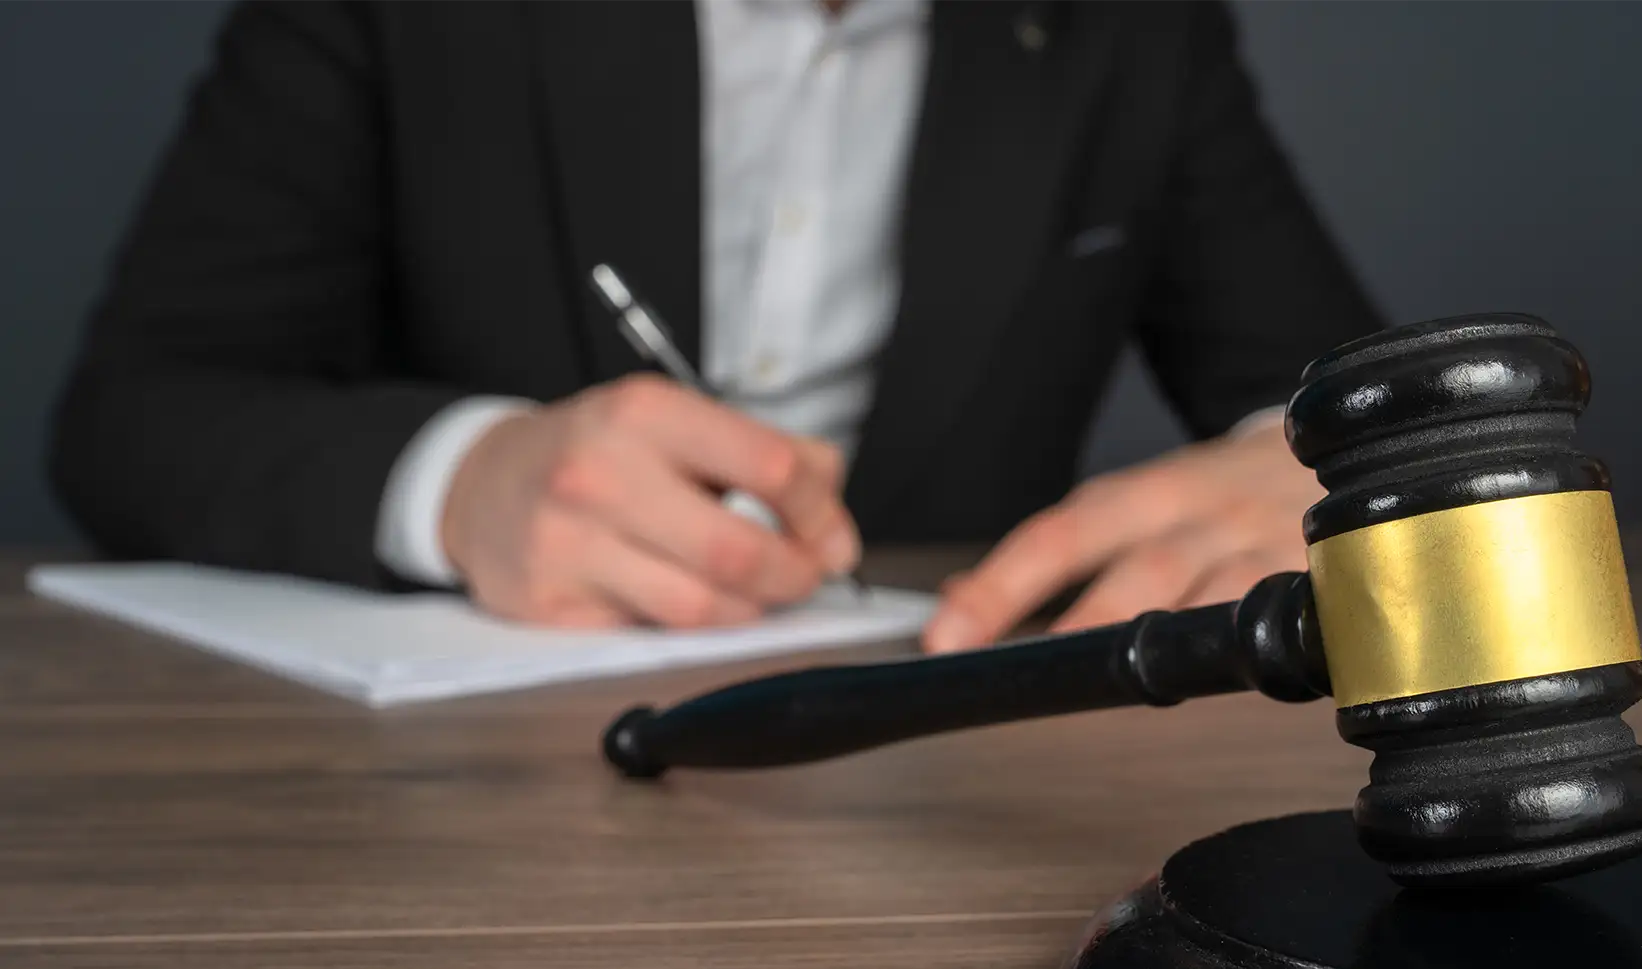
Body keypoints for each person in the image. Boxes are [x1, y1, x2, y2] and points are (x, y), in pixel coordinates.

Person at [50, 0, 1378, 654]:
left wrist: (1324, 473)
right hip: (448, 809)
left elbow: (1339, 389)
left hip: (951, 780)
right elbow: (133, 415)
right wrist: (462, 482)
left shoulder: (1135, 30)